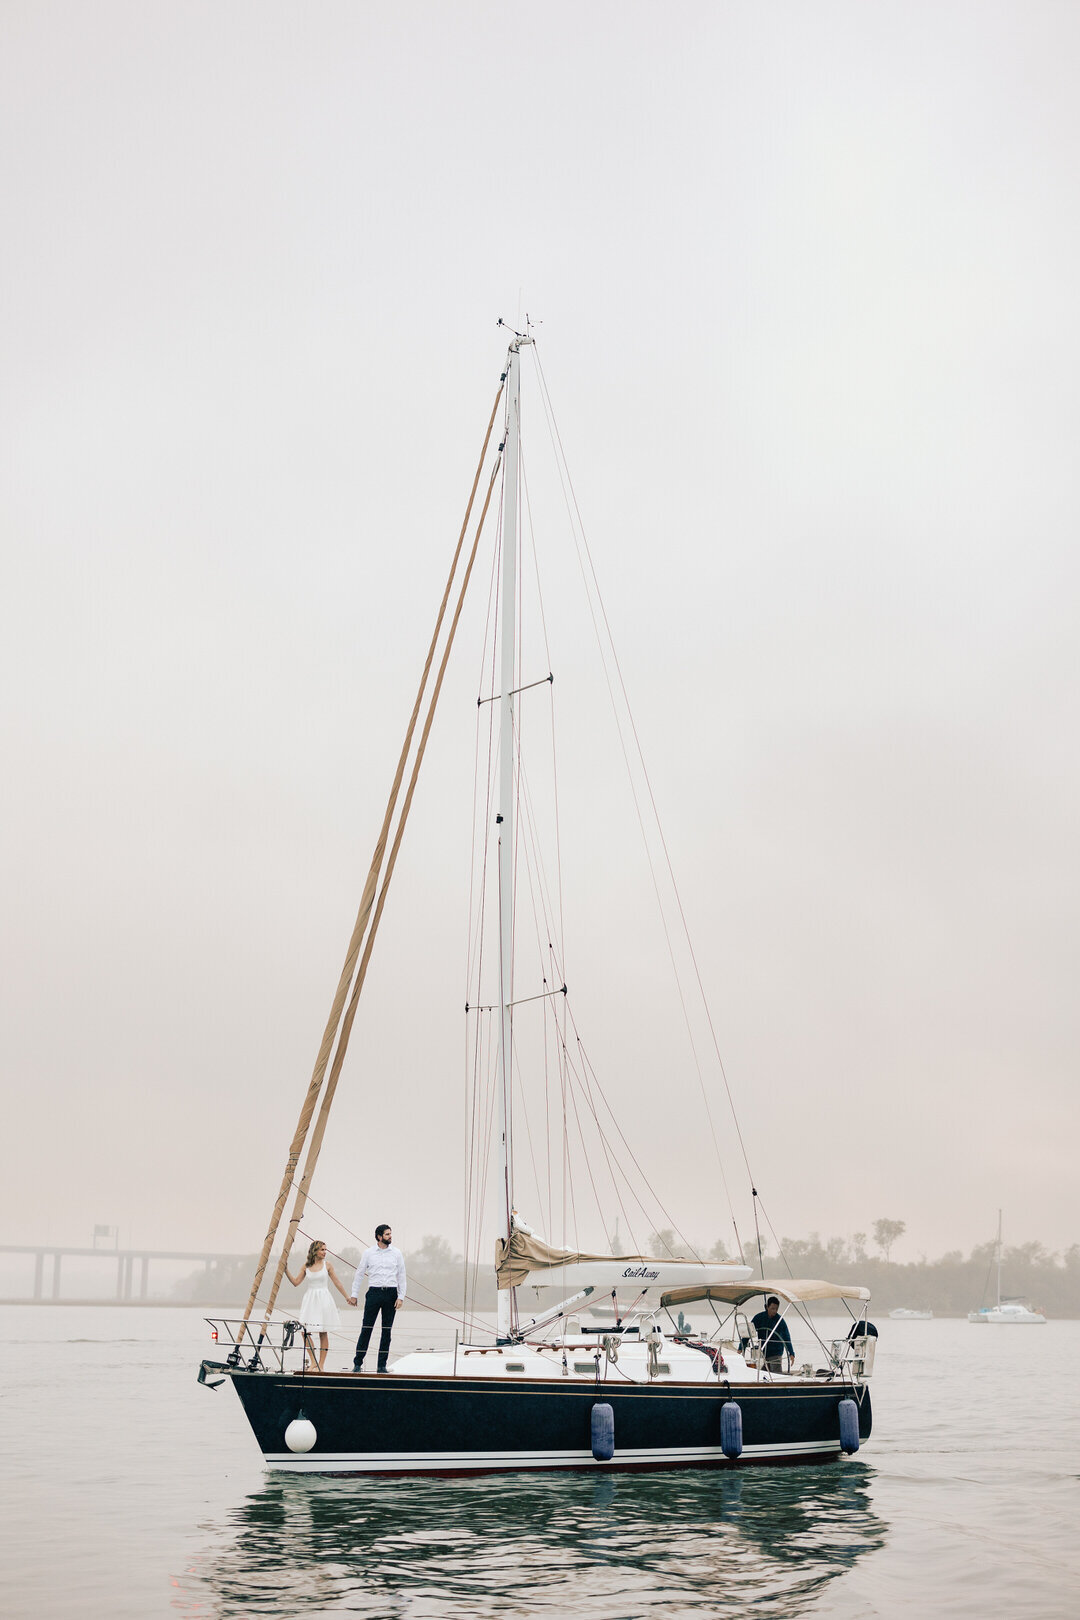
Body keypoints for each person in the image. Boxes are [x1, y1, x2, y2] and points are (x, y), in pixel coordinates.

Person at [285, 1239, 353, 1373]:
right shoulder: (306, 1266)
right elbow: (296, 1282)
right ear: (315, 1251)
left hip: (324, 1299)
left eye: (325, 1249)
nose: (324, 1252)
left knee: (323, 1332)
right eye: (322, 1249)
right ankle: (313, 1362)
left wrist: (347, 1297)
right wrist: (285, 1270)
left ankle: (321, 1365)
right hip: (310, 1299)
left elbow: (337, 1282)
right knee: (304, 1332)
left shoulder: (327, 1265)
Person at [350, 1223, 407, 1373]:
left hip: (391, 1293)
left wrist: (401, 1297)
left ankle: (381, 1366)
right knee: (366, 1328)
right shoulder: (369, 1253)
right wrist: (354, 1294)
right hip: (374, 1293)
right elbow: (359, 1274)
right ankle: (357, 1363)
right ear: (379, 1236)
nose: (390, 1237)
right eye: (387, 1234)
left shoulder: (396, 1253)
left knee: (386, 1331)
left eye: (390, 1234)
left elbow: (401, 1275)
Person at [750, 1295, 794, 1375]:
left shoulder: (780, 1320)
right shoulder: (758, 1318)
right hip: (763, 1353)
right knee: (761, 1374)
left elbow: (786, 1337)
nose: (774, 1311)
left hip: (776, 1353)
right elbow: (749, 1331)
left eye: (776, 1309)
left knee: (776, 1374)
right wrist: (741, 1347)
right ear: (767, 1307)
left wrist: (791, 1353)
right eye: (772, 1308)